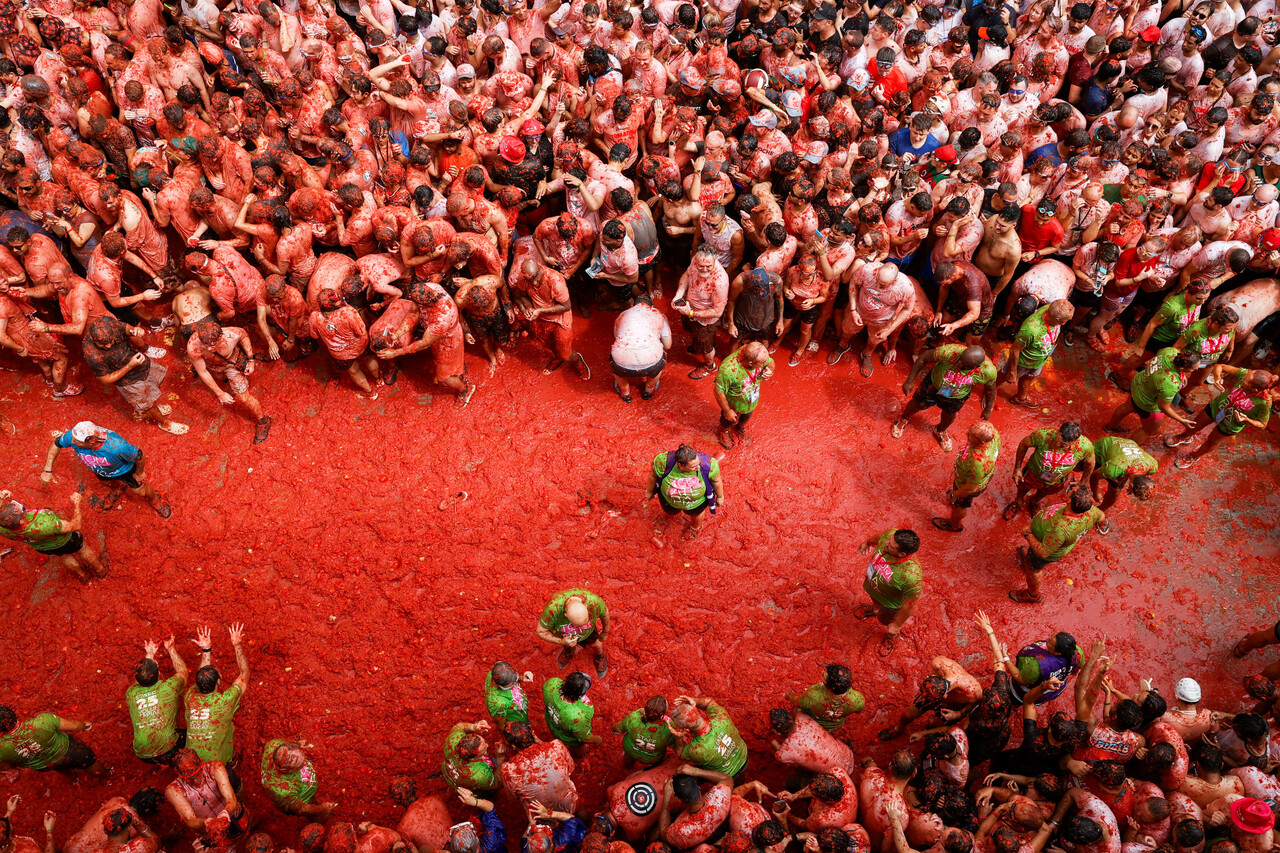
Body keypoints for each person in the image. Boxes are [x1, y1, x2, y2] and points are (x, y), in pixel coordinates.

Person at [41, 421, 171, 517]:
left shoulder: (117, 446)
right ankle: (117, 489)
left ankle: (154, 499)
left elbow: (139, 456)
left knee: (140, 491)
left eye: (77, 441)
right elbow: (56, 444)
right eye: (73, 439)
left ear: (91, 441)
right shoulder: (75, 436)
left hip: (125, 470)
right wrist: (47, 469)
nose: (72, 442)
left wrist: (139, 472)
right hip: (101, 470)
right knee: (107, 483)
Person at [892, 344, 997, 451]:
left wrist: (988, 409)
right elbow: (924, 358)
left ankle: (940, 430)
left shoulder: (987, 372)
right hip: (934, 384)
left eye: (964, 365)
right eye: (960, 360)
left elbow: (990, 390)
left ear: (977, 367)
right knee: (917, 404)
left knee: (950, 415)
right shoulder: (949, 352)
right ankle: (903, 418)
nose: (959, 364)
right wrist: (909, 381)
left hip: (957, 395)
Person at [1164, 366, 1273, 468]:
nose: (1243, 377)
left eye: (1245, 380)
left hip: (1230, 424)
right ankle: (1185, 436)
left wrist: (1247, 420)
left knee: (1212, 442)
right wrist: (1217, 378)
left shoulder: (1264, 403)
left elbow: (1263, 425)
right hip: (1216, 407)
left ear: (1255, 389)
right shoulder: (1246, 373)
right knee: (1194, 425)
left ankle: (1194, 456)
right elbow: (1220, 366)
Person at [186, 319, 273, 444]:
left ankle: (264, 421)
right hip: (212, 365)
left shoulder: (233, 333)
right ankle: (222, 377)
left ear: (221, 336)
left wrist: (251, 360)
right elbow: (203, 371)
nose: (210, 348)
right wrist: (219, 393)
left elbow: (244, 336)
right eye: (206, 345)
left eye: (213, 344)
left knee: (243, 397)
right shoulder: (193, 347)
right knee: (214, 375)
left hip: (231, 362)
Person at [1013, 488, 1104, 604]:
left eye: (1070, 491)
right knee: (1031, 558)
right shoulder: (1091, 511)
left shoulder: (1060, 529)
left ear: (1070, 501)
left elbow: (1043, 552)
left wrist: (1028, 535)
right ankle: (1029, 560)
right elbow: (1102, 516)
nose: (1069, 489)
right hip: (1050, 542)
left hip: (1044, 552)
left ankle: (1032, 594)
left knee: (1034, 570)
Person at [0, 490, 107, 581]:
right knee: (83, 549)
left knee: (64, 556)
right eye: (22, 509)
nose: (20, 506)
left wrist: (1, 499)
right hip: (66, 540)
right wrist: (77, 504)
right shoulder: (43, 525)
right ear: (22, 521)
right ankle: (101, 571)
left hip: (44, 547)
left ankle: (83, 576)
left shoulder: (4, 528)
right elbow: (75, 526)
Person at [184, 624, 249, 765]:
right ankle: (232, 762)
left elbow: (201, 676)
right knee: (230, 726)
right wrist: (237, 645)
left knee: (229, 724)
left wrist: (206, 650)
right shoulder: (224, 701)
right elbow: (244, 674)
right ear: (219, 681)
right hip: (217, 764)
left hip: (191, 763)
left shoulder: (190, 697)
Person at [1002, 422, 1095, 520]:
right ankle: (1018, 501)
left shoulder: (1084, 446)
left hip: (1057, 480)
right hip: (1033, 473)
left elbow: (1091, 462)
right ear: (1059, 432)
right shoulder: (1043, 435)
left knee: (1045, 492)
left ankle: (1034, 501)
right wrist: (1017, 468)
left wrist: (1084, 481)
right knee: (1023, 487)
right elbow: (1024, 444)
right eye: (1060, 439)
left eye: (1064, 444)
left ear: (1075, 441)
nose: (1059, 444)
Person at [1104, 347, 1199, 441]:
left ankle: (1110, 427)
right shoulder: (1170, 383)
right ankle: (1130, 450)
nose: (1197, 369)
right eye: (1193, 369)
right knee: (1147, 430)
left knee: (1127, 407)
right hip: (1147, 404)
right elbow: (1163, 407)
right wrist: (1182, 420)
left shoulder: (1170, 351)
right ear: (1182, 367)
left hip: (1138, 385)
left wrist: (1182, 374)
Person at [857, 529, 923, 656]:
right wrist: (868, 542)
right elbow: (880, 537)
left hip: (889, 605)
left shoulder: (911, 576)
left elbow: (910, 604)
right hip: (873, 587)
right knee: (874, 602)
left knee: (887, 622)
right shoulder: (891, 536)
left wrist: (896, 625)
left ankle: (891, 638)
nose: (886, 543)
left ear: (902, 554)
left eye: (891, 546)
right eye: (889, 540)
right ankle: (874, 609)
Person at [126, 635, 189, 766]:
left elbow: (139, 679)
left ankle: (161, 764)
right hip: (169, 750)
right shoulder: (168, 688)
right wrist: (171, 649)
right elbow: (183, 672)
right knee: (194, 735)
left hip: (142, 754)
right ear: (158, 672)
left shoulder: (131, 693)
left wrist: (150, 654)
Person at [999, 300, 1074, 407]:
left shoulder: (1052, 309)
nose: (1066, 323)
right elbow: (1014, 350)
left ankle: (1021, 398)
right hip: (1024, 361)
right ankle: (988, 391)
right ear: (1057, 319)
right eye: (1065, 321)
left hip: (1039, 358)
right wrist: (1012, 371)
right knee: (1003, 376)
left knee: (1030, 376)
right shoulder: (1031, 329)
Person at [645, 444, 725, 544]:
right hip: (669, 500)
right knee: (668, 511)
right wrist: (649, 491)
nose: (698, 467)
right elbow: (653, 475)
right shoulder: (663, 461)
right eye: (693, 466)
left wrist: (720, 496)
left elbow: (716, 481)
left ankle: (695, 527)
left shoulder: (708, 464)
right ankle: (665, 519)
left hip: (697, 503)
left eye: (698, 463)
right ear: (680, 465)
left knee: (696, 515)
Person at [0, 704, 106, 776]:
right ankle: (106, 777)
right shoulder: (43, 721)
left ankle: (73, 778)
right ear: (13, 713)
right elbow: (74, 726)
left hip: (44, 766)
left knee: (60, 767)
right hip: (70, 751)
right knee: (89, 761)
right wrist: (85, 724)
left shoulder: (2, 748)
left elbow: (6, 766)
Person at [933, 421, 1001, 533]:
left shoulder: (978, 463)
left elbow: (970, 488)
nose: (966, 434)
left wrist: (955, 495)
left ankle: (954, 524)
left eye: (970, 435)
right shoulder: (993, 433)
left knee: (959, 505)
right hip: (970, 477)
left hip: (968, 485)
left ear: (982, 442)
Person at [164, 748, 245, 837]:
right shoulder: (174, 790)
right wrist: (207, 822)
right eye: (189, 779)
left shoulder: (215, 768)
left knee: (246, 829)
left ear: (202, 765)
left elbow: (231, 798)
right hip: (209, 831)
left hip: (233, 815)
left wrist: (225, 812)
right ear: (179, 774)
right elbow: (189, 819)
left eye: (197, 774)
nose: (195, 781)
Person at [668, 695, 749, 778]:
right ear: (696, 710)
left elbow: (681, 753)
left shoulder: (698, 749)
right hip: (744, 754)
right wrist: (695, 700)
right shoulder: (721, 717)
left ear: (685, 729)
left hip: (728, 775)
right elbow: (709, 702)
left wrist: (678, 736)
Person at [1088, 437, 1157, 532]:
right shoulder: (1114, 469)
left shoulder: (1152, 465)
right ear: (1131, 486)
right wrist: (1095, 493)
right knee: (1082, 466)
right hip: (1104, 446)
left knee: (1114, 492)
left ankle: (1100, 511)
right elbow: (1094, 475)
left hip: (1126, 448)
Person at [713, 341, 774, 449]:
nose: (765, 364)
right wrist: (727, 410)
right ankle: (724, 431)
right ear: (751, 363)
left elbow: (770, 362)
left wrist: (770, 370)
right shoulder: (729, 370)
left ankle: (741, 427)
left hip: (751, 399)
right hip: (733, 403)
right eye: (762, 363)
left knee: (747, 415)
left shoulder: (756, 352)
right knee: (728, 419)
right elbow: (718, 392)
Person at [610, 294, 671, 402]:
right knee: (662, 357)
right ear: (651, 306)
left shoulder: (623, 314)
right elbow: (668, 344)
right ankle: (649, 390)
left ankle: (625, 393)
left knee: (617, 366)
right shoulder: (659, 315)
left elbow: (616, 336)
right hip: (652, 362)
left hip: (622, 361)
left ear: (634, 305)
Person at [535, 589, 610, 676]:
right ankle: (569, 651)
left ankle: (600, 656)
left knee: (596, 644)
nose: (579, 629)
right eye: (576, 626)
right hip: (564, 635)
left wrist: (605, 631)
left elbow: (605, 613)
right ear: (565, 615)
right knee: (568, 646)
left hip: (588, 632)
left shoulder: (593, 601)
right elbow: (540, 631)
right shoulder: (553, 608)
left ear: (586, 606)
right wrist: (561, 641)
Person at [260, 740, 336, 817]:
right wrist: (323, 809)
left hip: (301, 786)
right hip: (299, 799)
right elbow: (301, 809)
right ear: (285, 770)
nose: (305, 763)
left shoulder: (273, 745)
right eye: (299, 765)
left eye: (303, 759)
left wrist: (298, 744)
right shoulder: (284, 791)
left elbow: (290, 745)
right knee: (316, 815)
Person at [785, 663, 866, 732]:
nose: (822, 672)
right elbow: (859, 711)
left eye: (824, 675)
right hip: (835, 726)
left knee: (797, 708)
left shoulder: (813, 695)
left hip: (813, 722)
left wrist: (790, 695)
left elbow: (798, 702)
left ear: (828, 685)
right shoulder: (858, 699)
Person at [542, 673, 602, 748]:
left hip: (551, 723)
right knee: (578, 749)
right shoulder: (578, 716)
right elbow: (585, 738)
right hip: (567, 738)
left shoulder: (552, 683)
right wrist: (597, 740)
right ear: (580, 696)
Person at [613, 697, 673, 767]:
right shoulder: (670, 727)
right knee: (656, 766)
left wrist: (613, 729)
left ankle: (627, 768)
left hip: (631, 751)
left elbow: (618, 728)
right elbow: (676, 747)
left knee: (628, 761)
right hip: (653, 758)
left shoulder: (634, 717)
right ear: (663, 714)